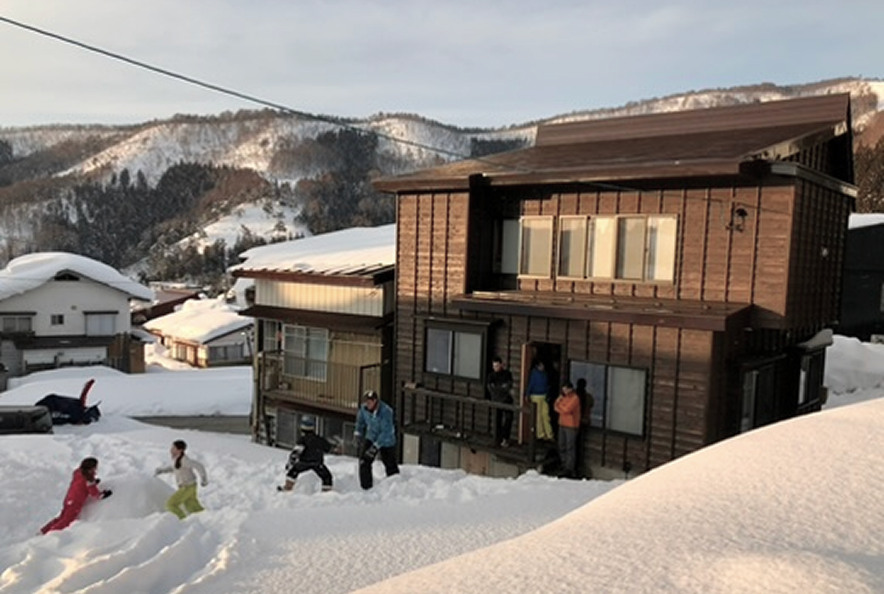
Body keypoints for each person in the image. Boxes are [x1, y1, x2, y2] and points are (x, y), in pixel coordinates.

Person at [41, 457, 112, 534]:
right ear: (92, 468)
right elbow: (93, 493)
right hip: (75, 502)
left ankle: (44, 530)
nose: (96, 469)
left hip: (68, 499)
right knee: (67, 521)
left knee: (61, 518)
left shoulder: (78, 472)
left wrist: (94, 481)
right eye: (95, 467)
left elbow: (80, 483)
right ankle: (50, 535)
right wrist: (102, 495)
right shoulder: (88, 479)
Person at [354, 390, 399, 490]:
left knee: (389, 464)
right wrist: (358, 433)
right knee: (364, 460)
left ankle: (395, 487)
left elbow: (387, 431)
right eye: (366, 402)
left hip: (386, 441)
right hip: (371, 436)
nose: (367, 404)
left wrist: (376, 446)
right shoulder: (363, 409)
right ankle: (366, 487)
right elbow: (360, 421)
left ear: (375, 401)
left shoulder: (386, 412)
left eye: (369, 402)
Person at [277, 416, 334, 492]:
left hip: (304, 462)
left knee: (293, 471)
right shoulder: (319, 439)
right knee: (326, 476)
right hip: (317, 463)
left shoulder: (302, 440)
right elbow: (328, 448)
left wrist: (290, 463)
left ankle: (287, 488)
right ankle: (326, 492)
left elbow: (296, 453)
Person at [155, 439, 208, 519]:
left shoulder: (185, 460)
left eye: (173, 448)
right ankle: (207, 518)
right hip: (190, 486)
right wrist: (162, 470)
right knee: (192, 506)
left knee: (171, 504)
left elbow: (199, 466)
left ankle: (182, 520)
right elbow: (175, 468)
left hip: (187, 487)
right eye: (171, 448)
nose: (171, 450)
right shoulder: (177, 459)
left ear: (180, 450)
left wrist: (204, 479)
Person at [554, 381, 582, 478]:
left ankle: (569, 468)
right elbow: (556, 407)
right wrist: (559, 406)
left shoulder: (575, 398)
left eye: (566, 389)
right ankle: (564, 464)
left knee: (570, 447)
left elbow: (566, 410)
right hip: (562, 423)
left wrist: (559, 406)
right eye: (563, 389)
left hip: (571, 425)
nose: (564, 391)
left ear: (570, 389)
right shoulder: (563, 397)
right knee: (562, 445)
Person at [486, 356, 515, 447]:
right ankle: (497, 439)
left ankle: (505, 438)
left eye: (497, 366)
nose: (496, 368)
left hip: (506, 400)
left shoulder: (507, 374)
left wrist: (499, 388)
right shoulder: (491, 376)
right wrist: (501, 388)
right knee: (497, 420)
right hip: (496, 401)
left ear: (501, 364)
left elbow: (508, 386)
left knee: (508, 419)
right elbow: (491, 388)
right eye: (494, 366)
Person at [524, 360, 553, 441]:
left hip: (544, 395)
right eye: (541, 366)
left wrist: (548, 393)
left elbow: (547, 384)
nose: (542, 367)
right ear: (537, 366)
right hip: (535, 395)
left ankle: (549, 434)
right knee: (538, 416)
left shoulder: (545, 374)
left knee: (545, 415)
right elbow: (531, 384)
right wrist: (527, 394)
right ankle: (540, 434)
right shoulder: (534, 374)